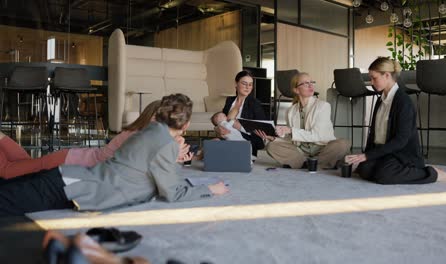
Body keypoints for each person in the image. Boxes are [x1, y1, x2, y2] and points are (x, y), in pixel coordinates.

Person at [0, 94, 229, 216]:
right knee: (10, 175)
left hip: (73, 171)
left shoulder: (148, 135)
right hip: (73, 172)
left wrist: (175, 157)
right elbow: (169, 190)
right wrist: (208, 189)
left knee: (21, 169)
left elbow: (145, 172)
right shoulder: (148, 137)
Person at [0, 100, 191, 179]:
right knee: (8, 172)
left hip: (73, 158)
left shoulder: (145, 135)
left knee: (25, 163)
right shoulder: (138, 136)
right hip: (69, 161)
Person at [345, 57, 446, 184]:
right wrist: (364, 157)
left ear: (387, 75)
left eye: (374, 78)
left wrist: (367, 156)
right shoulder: (380, 100)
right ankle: (378, 166)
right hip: (384, 152)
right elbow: (373, 134)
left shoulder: (403, 102)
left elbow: (400, 140)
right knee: (364, 170)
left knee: (384, 175)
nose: (371, 82)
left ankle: (432, 173)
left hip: (401, 154)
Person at [256, 72, 350, 169]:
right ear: (296, 90)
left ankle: (309, 163)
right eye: (305, 83)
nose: (310, 85)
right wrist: (274, 139)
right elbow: (291, 139)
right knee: (272, 146)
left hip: (322, 148)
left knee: (343, 144)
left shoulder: (323, 106)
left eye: (311, 82)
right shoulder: (290, 111)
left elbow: (317, 135)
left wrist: (290, 130)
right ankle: (316, 163)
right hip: (300, 152)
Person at [216, 70, 267, 157]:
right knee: (214, 142)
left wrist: (239, 126)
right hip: (228, 136)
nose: (247, 87)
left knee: (218, 148)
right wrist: (217, 128)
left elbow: (263, 128)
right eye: (244, 83)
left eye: (250, 84)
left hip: (246, 140)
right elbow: (222, 120)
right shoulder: (229, 100)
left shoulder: (255, 103)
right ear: (236, 84)